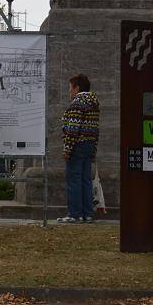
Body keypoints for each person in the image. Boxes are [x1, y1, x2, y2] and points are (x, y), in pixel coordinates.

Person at [58, 74, 100, 224]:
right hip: (89, 145)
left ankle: (74, 214)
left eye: (70, 88)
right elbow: (96, 129)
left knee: (74, 180)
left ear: (77, 88)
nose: (69, 92)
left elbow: (72, 129)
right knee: (85, 180)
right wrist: (94, 149)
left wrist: (67, 149)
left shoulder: (77, 103)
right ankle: (87, 214)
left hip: (77, 145)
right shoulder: (94, 104)